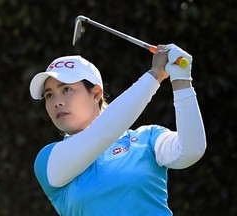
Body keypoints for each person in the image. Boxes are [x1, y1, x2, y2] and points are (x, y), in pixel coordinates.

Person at [29, 44, 206, 216]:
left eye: (66, 89)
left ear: (97, 93)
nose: (56, 102)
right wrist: (154, 76)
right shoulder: (48, 160)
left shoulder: (147, 139)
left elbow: (191, 150)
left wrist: (182, 81)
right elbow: (103, 132)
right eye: (49, 95)